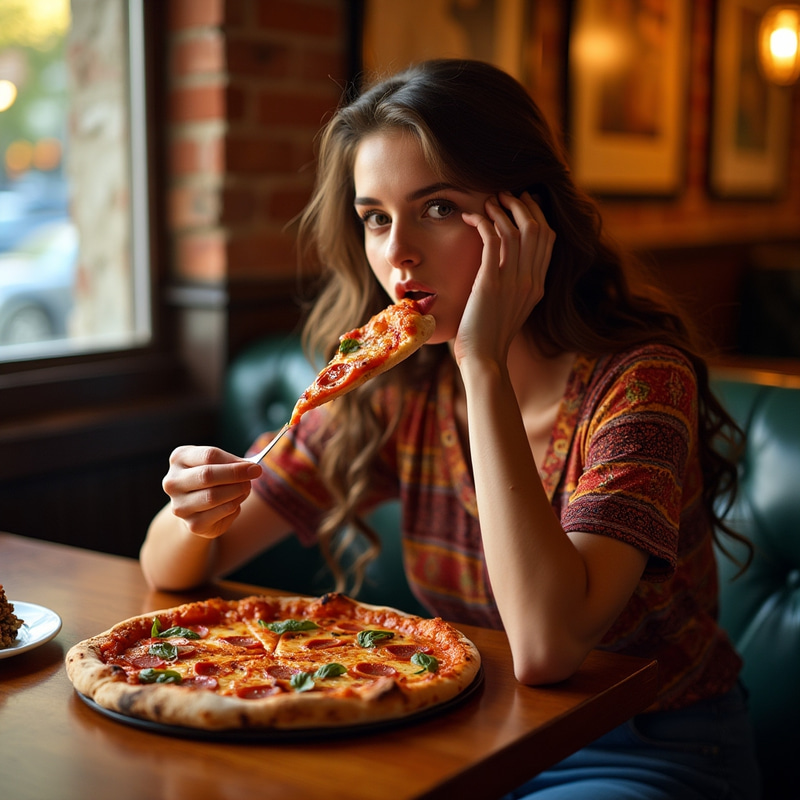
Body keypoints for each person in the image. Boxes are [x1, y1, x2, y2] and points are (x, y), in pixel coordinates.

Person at [141, 59, 761, 798]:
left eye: (437, 208)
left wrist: (482, 363)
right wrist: (198, 501)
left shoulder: (641, 381)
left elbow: (547, 646)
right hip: (469, 734)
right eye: (375, 217)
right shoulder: (394, 381)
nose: (397, 253)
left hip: (645, 748)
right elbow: (168, 567)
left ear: (526, 220)